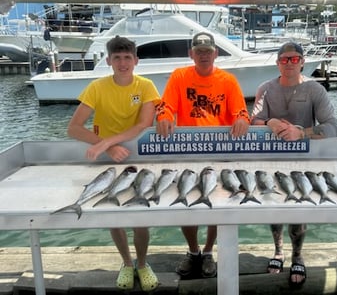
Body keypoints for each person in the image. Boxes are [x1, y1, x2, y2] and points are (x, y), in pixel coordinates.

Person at [67, 36, 161, 291]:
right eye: (117, 58)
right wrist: (106, 146)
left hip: (137, 156)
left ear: (136, 61)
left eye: (127, 58)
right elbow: (74, 128)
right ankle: (126, 263)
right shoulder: (97, 87)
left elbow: (143, 125)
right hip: (107, 159)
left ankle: (142, 263)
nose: (122, 63)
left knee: (141, 215)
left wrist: (106, 143)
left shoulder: (147, 86)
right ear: (108, 60)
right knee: (114, 215)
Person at [156, 31, 250, 279]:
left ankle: (208, 251)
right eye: (199, 51)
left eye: (208, 51)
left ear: (215, 54)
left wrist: (242, 119)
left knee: (216, 203)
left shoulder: (228, 80)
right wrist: (164, 117)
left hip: (220, 150)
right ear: (191, 54)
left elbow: (241, 111)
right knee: (185, 203)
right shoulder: (180, 76)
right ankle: (193, 250)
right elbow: (167, 106)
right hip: (187, 150)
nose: (204, 55)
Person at [251, 41, 337, 285]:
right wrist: (270, 123)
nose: (289, 63)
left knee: (299, 209)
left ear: (302, 62)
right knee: (274, 206)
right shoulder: (265, 89)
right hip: (272, 158)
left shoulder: (315, 90)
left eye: (294, 59)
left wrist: (302, 133)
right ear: (278, 62)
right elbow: (254, 120)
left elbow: (334, 127)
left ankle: (297, 255)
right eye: (284, 59)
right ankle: (278, 250)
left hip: (303, 160)